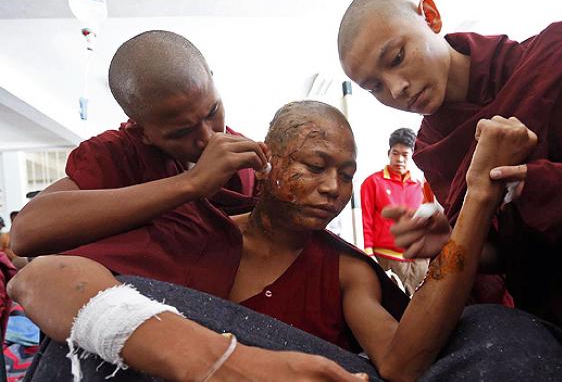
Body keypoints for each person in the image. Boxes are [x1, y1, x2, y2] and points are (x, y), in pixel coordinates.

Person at [10, 101, 562, 382]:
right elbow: (43, 275)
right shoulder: (196, 229)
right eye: (315, 166)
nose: (334, 189)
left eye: (346, 171)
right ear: (265, 164)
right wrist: (220, 363)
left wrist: (477, 204)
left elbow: (402, 360)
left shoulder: (345, 270)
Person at [337, 0, 562, 382]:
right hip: (554, 330)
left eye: (397, 58)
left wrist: (536, 185)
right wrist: (456, 240)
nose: (396, 88)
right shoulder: (433, 148)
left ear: (430, 17)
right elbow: (513, 251)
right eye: (374, 87)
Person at [9, 31, 364, 381]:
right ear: (142, 131)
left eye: (213, 111)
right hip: (130, 334)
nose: (208, 136)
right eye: (181, 132)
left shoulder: (240, 157)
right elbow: (25, 237)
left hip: (218, 322)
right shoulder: (119, 155)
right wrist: (189, 184)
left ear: (212, 79)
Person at [360, 128, 429, 295]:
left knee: (419, 308)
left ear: (412, 156)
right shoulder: (373, 182)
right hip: (387, 259)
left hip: (418, 261)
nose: (399, 159)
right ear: (388, 153)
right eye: (395, 153)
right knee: (392, 308)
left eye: (405, 155)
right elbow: (366, 219)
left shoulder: (420, 186)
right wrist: (368, 253)